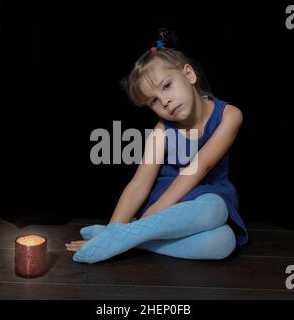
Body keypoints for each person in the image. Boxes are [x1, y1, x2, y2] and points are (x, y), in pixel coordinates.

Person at [65, 28, 249, 263]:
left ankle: (128, 239)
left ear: (189, 74)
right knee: (215, 212)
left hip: (203, 201)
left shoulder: (229, 115)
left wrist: (129, 230)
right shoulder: (162, 131)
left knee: (223, 239)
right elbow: (139, 184)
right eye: (153, 101)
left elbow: (199, 168)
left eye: (167, 86)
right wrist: (115, 227)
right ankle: (121, 237)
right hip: (167, 208)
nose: (165, 101)